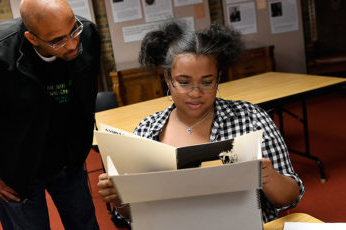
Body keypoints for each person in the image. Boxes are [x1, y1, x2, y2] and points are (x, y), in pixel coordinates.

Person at [97, 22, 304, 225]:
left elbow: (290, 197)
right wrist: (118, 197)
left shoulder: (250, 118)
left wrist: (269, 177)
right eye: (184, 82)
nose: (196, 93)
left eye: (207, 82)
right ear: (167, 78)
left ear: (218, 78)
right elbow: (136, 214)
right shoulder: (147, 131)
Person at [0, 0, 100, 229]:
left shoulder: (87, 34)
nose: (72, 45)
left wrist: (78, 150)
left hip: (67, 161)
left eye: (73, 30)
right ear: (32, 38)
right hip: (16, 170)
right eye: (58, 40)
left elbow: (84, 99)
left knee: (85, 224)